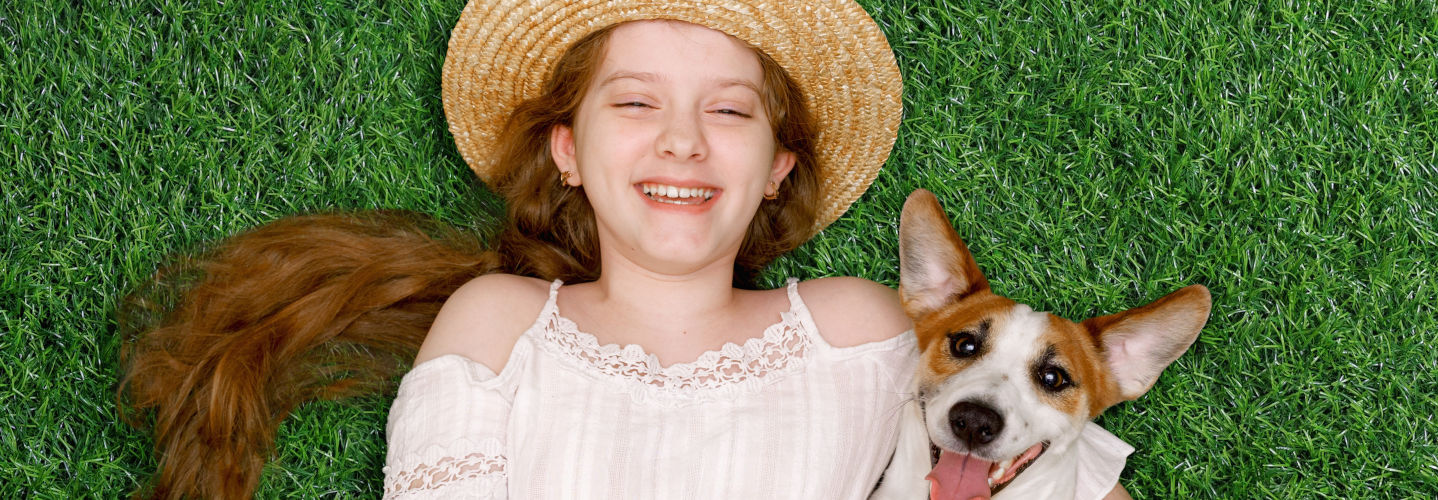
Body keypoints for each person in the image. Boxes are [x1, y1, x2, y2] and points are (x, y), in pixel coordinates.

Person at [119, 1, 1134, 499]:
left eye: (727, 111)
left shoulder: (855, 324)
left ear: (778, 166)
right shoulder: (500, 322)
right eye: (636, 102)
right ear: (569, 150)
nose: (683, 139)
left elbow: (1064, 467)